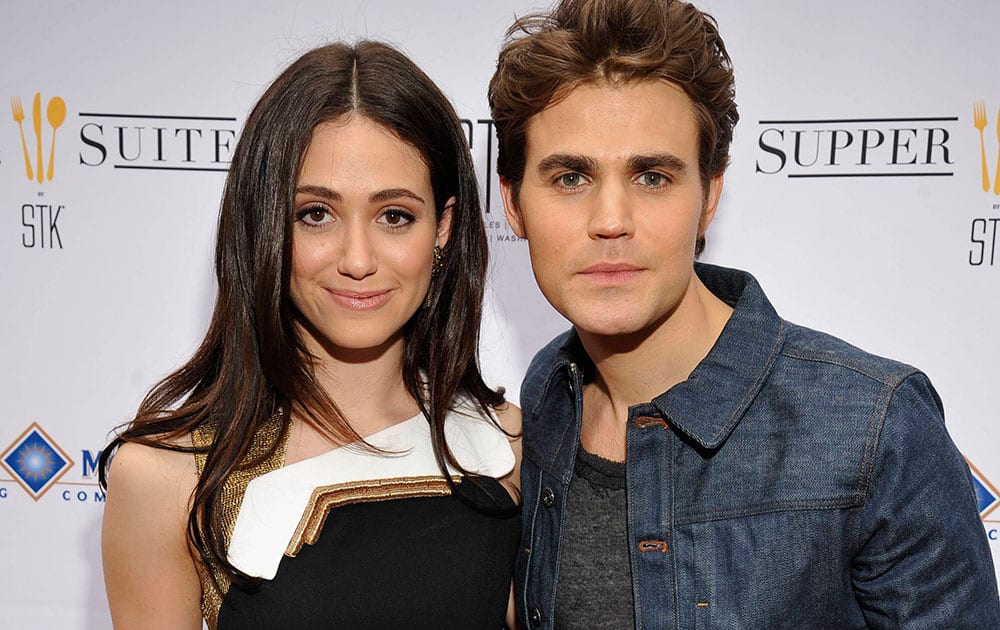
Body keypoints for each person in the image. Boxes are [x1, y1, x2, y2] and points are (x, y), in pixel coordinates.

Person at [488, 0, 1000, 627]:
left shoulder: (875, 429)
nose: (611, 220)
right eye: (570, 177)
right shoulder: (547, 395)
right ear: (513, 203)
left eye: (652, 176)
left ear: (710, 199)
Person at [100, 41, 521, 630]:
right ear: (266, 222)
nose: (357, 259)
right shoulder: (169, 478)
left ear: (443, 228)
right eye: (315, 214)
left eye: (394, 215)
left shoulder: (509, 448)